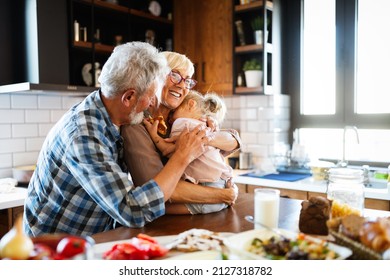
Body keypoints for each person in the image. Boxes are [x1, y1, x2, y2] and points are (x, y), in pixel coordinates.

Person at [23, 42, 210, 237]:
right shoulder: (84, 134)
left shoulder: (113, 116)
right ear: (128, 97)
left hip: (92, 239)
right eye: (151, 96)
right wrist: (182, 156)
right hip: (53, 253)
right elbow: (132, 211)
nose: (153, 102)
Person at [121, 51, 241, 214]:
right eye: (175, 75)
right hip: (161, 224)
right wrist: (223, 194)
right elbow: (155, 189)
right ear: (154, 76)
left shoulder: (179, 114)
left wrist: (205, 136)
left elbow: (234, 139)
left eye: (188, 80)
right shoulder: (137, 124)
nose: (182, 85)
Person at [150, 90, 234, 214]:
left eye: (173, 113)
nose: (170, 119)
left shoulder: (181, 124)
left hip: (207, 191)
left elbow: (167, 150)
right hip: (223, 184)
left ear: (191, 104)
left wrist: (153, 134)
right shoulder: (205, 125)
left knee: (157, 211)